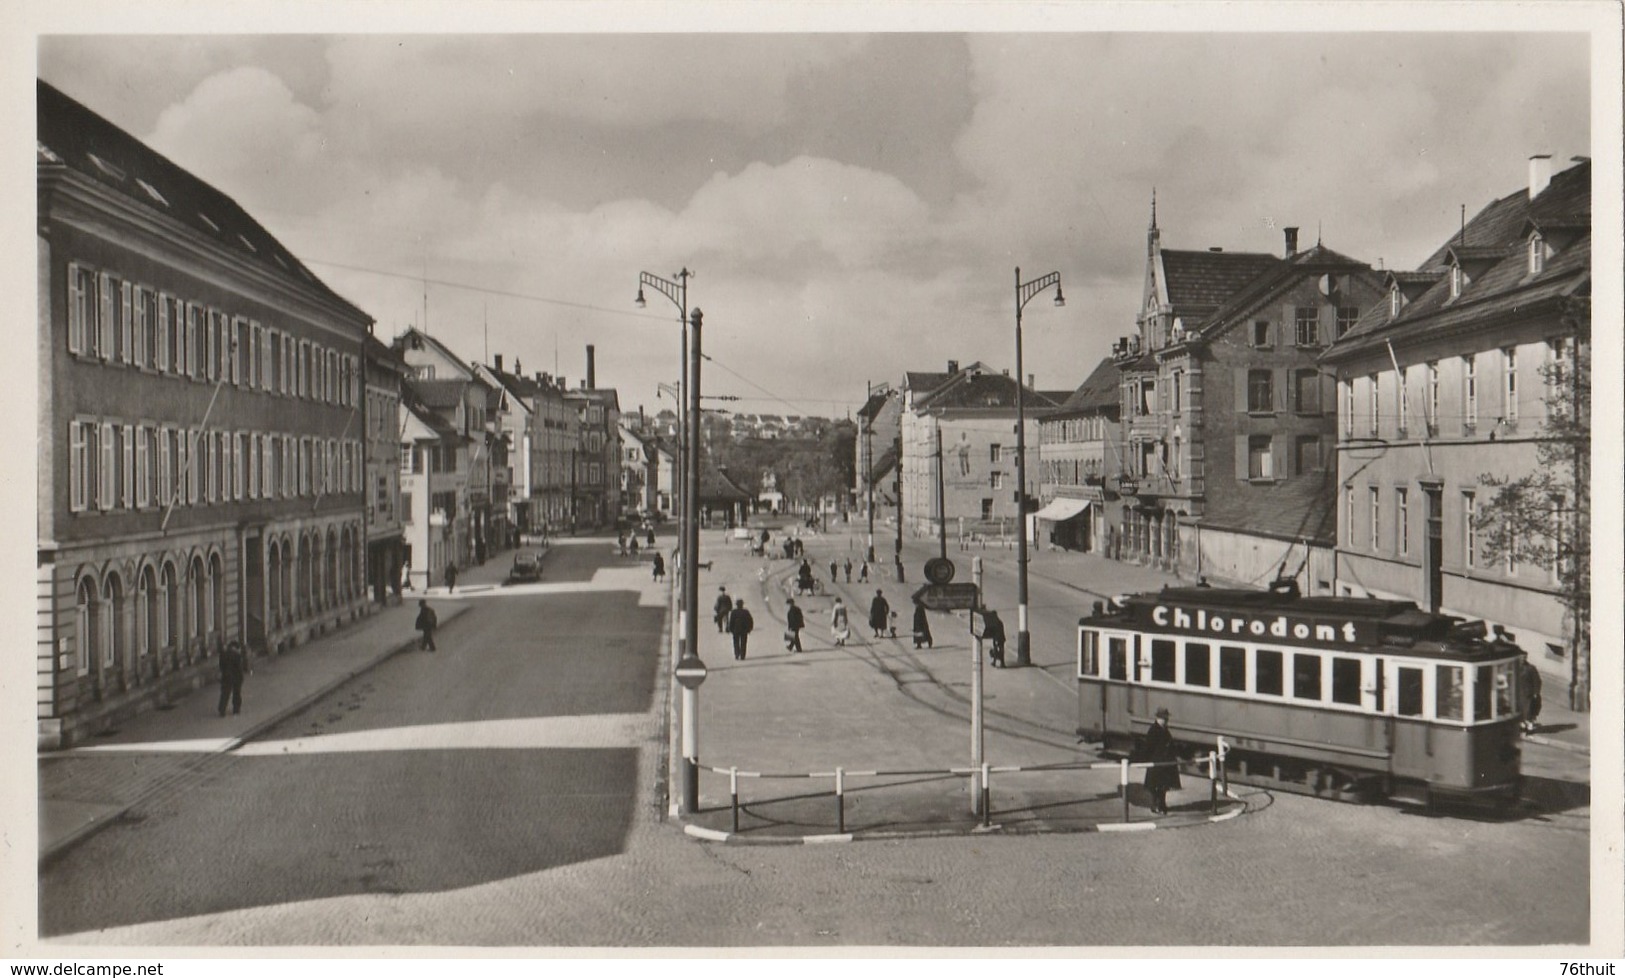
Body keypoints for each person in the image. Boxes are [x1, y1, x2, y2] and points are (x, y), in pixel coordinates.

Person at [1136, 706, 1183, 814]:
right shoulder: (1154, 730)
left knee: (1163, 786)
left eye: (1166, 719)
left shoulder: (1165, 730)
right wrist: (1146, 760)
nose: (1166, 721)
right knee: (1155, 786)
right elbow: (1149, 747)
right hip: (1157, 763)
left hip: (1165, 764)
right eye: (1164, 718)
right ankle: (1155, 805)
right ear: (1158, 718)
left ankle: (1162, 805)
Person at [217, 639, 248, 716]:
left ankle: (222, 709)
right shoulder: (237, 656)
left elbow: (221, 666)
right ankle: (236, 709)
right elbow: (239, 667)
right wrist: (241, 677)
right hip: (236, 677)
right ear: (235, 648)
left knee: (225, 694)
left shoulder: (223, 654)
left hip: (226, 677)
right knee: (236, 693)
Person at [1520, 652, 1543, 735]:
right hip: (1518, 693)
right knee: (1520, 711)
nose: (1522, 659)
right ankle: (1522, 726)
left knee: (1528, 711)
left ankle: (1530, 727)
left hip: (1527, 693)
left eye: (1524, 657)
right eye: (1521, 657)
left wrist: (1536, 692)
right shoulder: (1515, 667)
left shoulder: (1531, 668)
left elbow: (1537, 681)